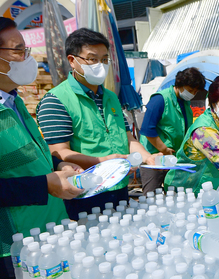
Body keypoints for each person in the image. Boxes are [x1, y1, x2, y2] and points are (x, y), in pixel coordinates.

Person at [0, 17, 83, 279]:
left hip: (44, 233)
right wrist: (45, 184)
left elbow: (31, 156)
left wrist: (59, 169)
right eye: (18, 50)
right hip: (9, 248)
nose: (26, 56)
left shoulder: (15, 102)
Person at [36, 28, 157, 219]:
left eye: (104, 59)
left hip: (119, 185)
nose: (100, 64)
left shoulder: (110, 96)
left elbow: (127, 136)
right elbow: (58, 152)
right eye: (92, 59)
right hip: (86, 191)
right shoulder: (56, 100)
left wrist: (148, 157)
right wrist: (102, 161)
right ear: (72, 61)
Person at [139, 67, 206, 193]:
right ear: (180, 84)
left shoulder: (186, 103)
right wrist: (164, 149)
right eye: (190, 90)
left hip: (173, 158)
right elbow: (147, 129)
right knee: (152, 194)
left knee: (174, 195)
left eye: (195, 91)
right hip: (154, 157)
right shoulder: (160, 99)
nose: (192, 94)